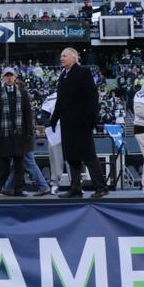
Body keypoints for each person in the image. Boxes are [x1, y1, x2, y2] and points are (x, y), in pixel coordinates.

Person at [49, 48, 107, 198]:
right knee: (71, 157)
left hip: (82, 122)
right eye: (61, 56)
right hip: (68, 124)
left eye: (64, 56)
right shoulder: (63, 76)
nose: (61, 58)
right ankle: (75, 187)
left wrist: (90, 119)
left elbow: (93, 97)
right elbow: (60, 101)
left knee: (88, 156)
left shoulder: (83, 72)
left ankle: (101, 187)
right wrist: (54, 120)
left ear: (74, 58)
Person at [0, 66, 34, 197]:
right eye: (6, 76)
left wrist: (29, 133)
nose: (9, 78)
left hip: (19, 135)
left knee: (19, 164)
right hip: (3, 135)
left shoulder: (23, 93)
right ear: (3, 78)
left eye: (11, 75)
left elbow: (28, 115)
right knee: (1, 164)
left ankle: (19, 190)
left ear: (15, 77)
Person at [38, 88, 65, 189]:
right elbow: (44, 116)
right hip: (55, 131)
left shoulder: (76, 94)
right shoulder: (51, 98)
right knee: (55, 159)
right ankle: (55, 183)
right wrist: (50, 125)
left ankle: (76, 183)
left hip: (71, 129)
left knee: (74, 158)